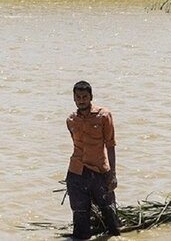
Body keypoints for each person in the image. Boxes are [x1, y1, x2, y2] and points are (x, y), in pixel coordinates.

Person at [65, 81, 121, 239]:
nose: (81, 100)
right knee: (80, 217)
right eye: (78, 97)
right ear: (74, 98)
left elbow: (110, 145)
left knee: (111, 217)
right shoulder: (71, 120)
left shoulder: (103, 116)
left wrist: (113, 174)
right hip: (76, 173)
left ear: (91, 97)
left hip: (99, 171)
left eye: (84, 97)